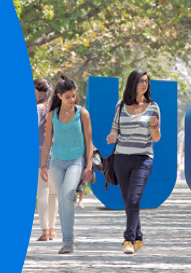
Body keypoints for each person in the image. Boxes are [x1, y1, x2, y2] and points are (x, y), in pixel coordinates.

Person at [106, 69, 162, 254]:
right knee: (129, 202)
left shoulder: (153, 107)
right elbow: (115, 128)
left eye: (146, 81)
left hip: (143, 159)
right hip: (121, 158)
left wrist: (154, 126)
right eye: (141, 81)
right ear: (132, 84)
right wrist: (112, 136)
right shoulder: (120, 105)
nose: (144, 84)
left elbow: (156, 138)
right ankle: (138, 237)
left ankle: (128, 240)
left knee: (133, 198)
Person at [39, 75, 95, 254]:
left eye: (74, 96)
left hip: (76, 161)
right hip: (56, 162)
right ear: (60, 96)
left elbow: (89, 141)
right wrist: (43, 165)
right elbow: (47, 143)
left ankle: (68, 241)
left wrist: (89, 166)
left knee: (66, 195)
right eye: (68, 96)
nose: (72, 99)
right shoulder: (52, 114)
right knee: (63, 200)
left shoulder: (82, 113)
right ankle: (66, 240)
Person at [34, 78, 59, 242]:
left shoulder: (36, 109)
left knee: (42, 192)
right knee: (53, 194)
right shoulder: (56, 110)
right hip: (56, 154)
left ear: (39, 91)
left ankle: (44, 231)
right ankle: (51, 230)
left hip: (40, 154)